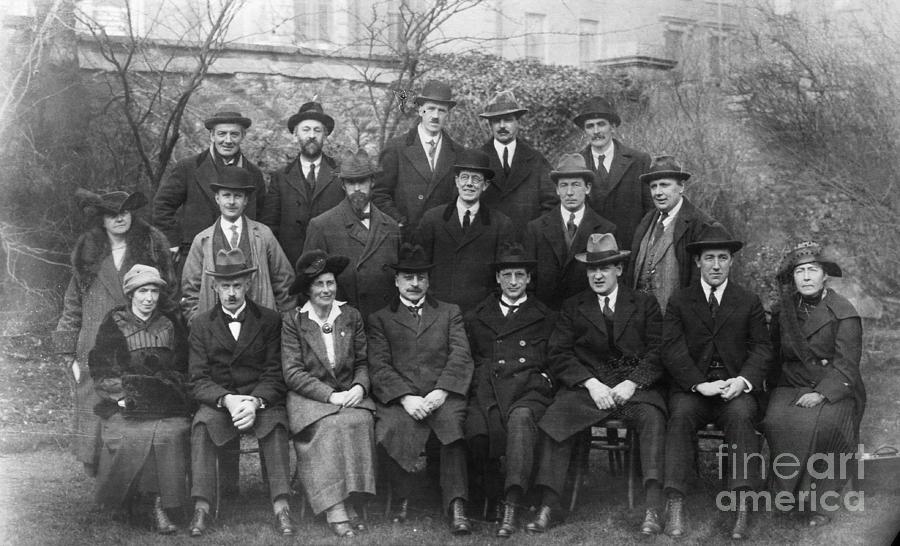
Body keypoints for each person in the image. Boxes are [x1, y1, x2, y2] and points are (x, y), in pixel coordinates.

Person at [525, 233, 667, 536]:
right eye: (592, 269)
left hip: (633, 389)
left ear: (619, 269)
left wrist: (633, 382)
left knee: (653, 418)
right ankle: (549, 504)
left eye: (605, 268)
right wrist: (591, 384)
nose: (598, 275)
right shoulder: (574, 306)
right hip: (590, 389)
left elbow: (658, 351)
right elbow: (559, 352)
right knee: (556, 416)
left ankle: (653, 507)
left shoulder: (644, 304)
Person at [661, 223, 773, 540]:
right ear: (698, 261)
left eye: (722, 258)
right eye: (709, 258)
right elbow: (671, 349)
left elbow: (762, 348)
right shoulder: (680, 300)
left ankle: (741, 505)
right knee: (680, 416)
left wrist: (744, 380)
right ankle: (675, 502)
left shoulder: (747, 300)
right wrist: (698, 384)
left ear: (731, 261)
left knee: (741, 417)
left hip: (734, 387)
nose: (716, 265)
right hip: (694, 389)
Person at [53, 189, 176, 477]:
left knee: (133, 402)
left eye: (125, 211)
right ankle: (96, 473)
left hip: (137, 342)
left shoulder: (151, 246)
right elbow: (73, 304)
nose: (119, 217)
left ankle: (133, 475)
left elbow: (168, 296)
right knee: (94, 406)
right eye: (111, 213)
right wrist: (67, 350)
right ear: (102, 218)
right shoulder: (88, 252)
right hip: (93, 343)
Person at [186, 248, 296, 537]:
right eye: (225, 286)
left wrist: (255, 402)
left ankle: (282, 505)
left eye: (237, 285)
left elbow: (275, 373)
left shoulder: (270, 320)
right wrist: (228, 400)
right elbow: (198, 378)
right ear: (215, 287)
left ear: (248, 284)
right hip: (221, 402)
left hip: (259, 401)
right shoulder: (200, 325)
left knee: (275, 424)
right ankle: (202, 506)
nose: (231, 293)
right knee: (202, 424)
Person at [367, 243, 475, 535]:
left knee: (453, 425)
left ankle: (456, 503)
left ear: (429, 281)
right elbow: (379, 365)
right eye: (408, 277)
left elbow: (460, 355)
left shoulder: (449, 312)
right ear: (396, 280)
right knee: (389, 426)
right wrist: (405, 398)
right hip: (402, 399)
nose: (415, 284)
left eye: (421, 278)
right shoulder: (380, 319)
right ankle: (405, 496)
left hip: (442, 396)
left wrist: (442, 391)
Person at [762, 241, 865, 528]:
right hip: (791, 385)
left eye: (812, 270)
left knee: (826, 426)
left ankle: (820, 502)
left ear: (824, 276)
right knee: (774, 421)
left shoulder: (844, 311)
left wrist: (821, 394)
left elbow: (847, 365)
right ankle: (787, 497)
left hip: (834, 388)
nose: (806, 277)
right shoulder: (783, 312)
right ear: (793, 278)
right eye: (800, 272)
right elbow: (773, 357)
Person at [463, 242, 557, 538]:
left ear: (529, 278)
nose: (514, 281)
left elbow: (556, 359)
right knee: (476, 430)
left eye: (520, 275)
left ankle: (512, 503)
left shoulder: (546, 316)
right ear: (497, 279)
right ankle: (484, 499)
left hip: (530, 391)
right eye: (507, 275)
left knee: (520, 420)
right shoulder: (477, 316)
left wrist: (542, 379)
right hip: (489, 390)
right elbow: (472, 359)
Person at [281, 250, 377, 538]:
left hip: (350, 393)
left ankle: (353, 499)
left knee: (358, 422)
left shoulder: (350, 316)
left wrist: (360, 387)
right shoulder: (293, 321)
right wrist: (329, 396)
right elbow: (293, 372)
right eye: (319, 284)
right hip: (310, 399)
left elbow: (362, 362)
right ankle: (334, 506)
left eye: (330, 283)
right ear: (308, 289)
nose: (326, 290)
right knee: (330, 425)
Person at [88, 265, 189, 534]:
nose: (149, 298)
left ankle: (158, 503)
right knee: (131, 433)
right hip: (127, 404)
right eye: (143, 291)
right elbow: (101, 369)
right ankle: (126, 500)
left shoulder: (170, 323)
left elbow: (184, 367)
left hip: (166, 404)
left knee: (168, 433)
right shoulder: (114, 323)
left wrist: (168, 388)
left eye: (154, 291)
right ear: (131, 293)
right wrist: (122, 396)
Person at [153, 104, 266, 268]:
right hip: (196, 254)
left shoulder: (253, 173)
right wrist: (172, 241)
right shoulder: (188, 167)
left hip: (241, 257)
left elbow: (263, 215)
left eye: (234, 134)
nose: (228, 140)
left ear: (243, 136)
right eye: (222, 134)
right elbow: (162, 206)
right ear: (212, 136)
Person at [180, 166, 294, 324]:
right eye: (226, 195)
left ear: (246, 200)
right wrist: (199, 324)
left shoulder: (263, 235)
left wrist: (281, 322)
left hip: (259, 328)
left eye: (238, 196)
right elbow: (190, 290)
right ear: (217, 198)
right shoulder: (202, 240)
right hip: (216, 331)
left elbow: (284, 281)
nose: (232, 202)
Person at [303, 149, 400, 319]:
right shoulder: (322, 226)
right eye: (350, 182)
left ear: (372, 182)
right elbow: (309, 282)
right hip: (343, 322)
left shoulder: (391, 226)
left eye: (362, 181)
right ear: (342, 185)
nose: (356, 189)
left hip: (384, 323)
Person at [415, 148, 515, 312]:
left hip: (482, 315)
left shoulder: (501, 224)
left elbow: (503, 276)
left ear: (485, 185)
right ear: (456, 181)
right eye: (464, 177)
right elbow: (420, 269)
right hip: (438, 312)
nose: (469, 183)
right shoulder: (432, 219)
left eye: (476, 179)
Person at [524, 153, 617, 309]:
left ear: (587, 188)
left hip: (587, 319)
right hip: (546, 318)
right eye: (564, 185)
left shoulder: (606, 229)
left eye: (575, 185)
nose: (569, 192)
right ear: (557, 190)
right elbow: (528, 280)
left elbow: (610, 283)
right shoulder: (536, 229)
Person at [373, 80, 463, 234]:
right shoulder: (396, 147)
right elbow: (379, 194)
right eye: (430, 109)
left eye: (441, 110)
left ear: (448, 113)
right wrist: (398, 221)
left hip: (442, 238)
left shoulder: (458, 153)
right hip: (405, 238)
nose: (435, 116)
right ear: (420, 110)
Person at [260, 102, 344, 266]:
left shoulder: (341, 174)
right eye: (306, 130)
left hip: (330, 266)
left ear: (325, 135)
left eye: (317, 130)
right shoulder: (281, 177)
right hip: (290, 265)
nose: (311, 135)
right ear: (295, 134)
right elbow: (269, 227)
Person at [629, 155, 715, 312]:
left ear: (681, 186)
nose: (658, 192)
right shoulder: (646, 221)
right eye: (653, 186)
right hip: (640, 321)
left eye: (664, 185)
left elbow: (701, 286)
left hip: (676, 323)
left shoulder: (700, 225)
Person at [574, 96, 651, 251]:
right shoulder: (576, 165)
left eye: (601, 124)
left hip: (630, 249)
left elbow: (650, 210)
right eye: (590, 126)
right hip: (591, 254)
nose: (596, 131)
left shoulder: (638, 161)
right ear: (584, 131)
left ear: (613, 127)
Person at [477, 90, 557, 230]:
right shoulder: (478, 159)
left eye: (508, 119)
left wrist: (536, 234)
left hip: (527, 245)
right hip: (488, 244)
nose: (502, 126)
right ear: (490, 125)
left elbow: (552, 203)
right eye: (496, 121)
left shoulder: (536, 160)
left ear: (517, 122)